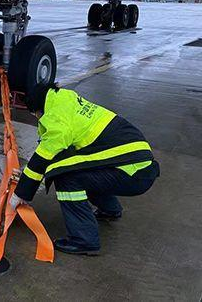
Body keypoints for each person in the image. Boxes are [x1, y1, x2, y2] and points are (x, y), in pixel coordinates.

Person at [10, 83, 160, 255]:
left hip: (133, 172)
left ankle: (84, 239)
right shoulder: (66, 100)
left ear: (38, 109)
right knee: (83, 169)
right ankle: (110, 210)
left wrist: (21, 193)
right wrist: (26, 176)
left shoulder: (57, 119)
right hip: (136, 163)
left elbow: (44, 157)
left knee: (66, 177)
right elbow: (59, 155)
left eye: (35, 115)